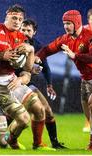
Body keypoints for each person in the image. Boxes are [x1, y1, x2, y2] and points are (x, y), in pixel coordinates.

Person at [36, 10, 92, 150]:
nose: (66, 26)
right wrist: (36, 58)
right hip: (86, 79)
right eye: (64, 23)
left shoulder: (91, 37)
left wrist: (75, 56)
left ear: (76, 23)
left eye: (69, 23)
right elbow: (47, 50)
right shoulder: (65, 39)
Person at [0, 4, 54, 151]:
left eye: (20, 19)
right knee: (23, 121)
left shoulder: (21, 38)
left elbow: (27, 73)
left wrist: (30, 51)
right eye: (14, 17)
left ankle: (36, 144)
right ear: (7, 16)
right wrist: (0, 55)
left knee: (39, 109)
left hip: (12, 81)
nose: (17, 21)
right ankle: (10, 141)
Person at [20, 19, 67, 149]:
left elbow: (44, 66)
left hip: (27, 83)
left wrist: (49, 85)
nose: (25, 32)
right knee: (18, 116)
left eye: (28, 30)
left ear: (34, 32)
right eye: (23, 29)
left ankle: (54, 143)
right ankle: (0, 136)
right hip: (13, 83)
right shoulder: (13, 42)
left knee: (47, 111)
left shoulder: (38, 46)